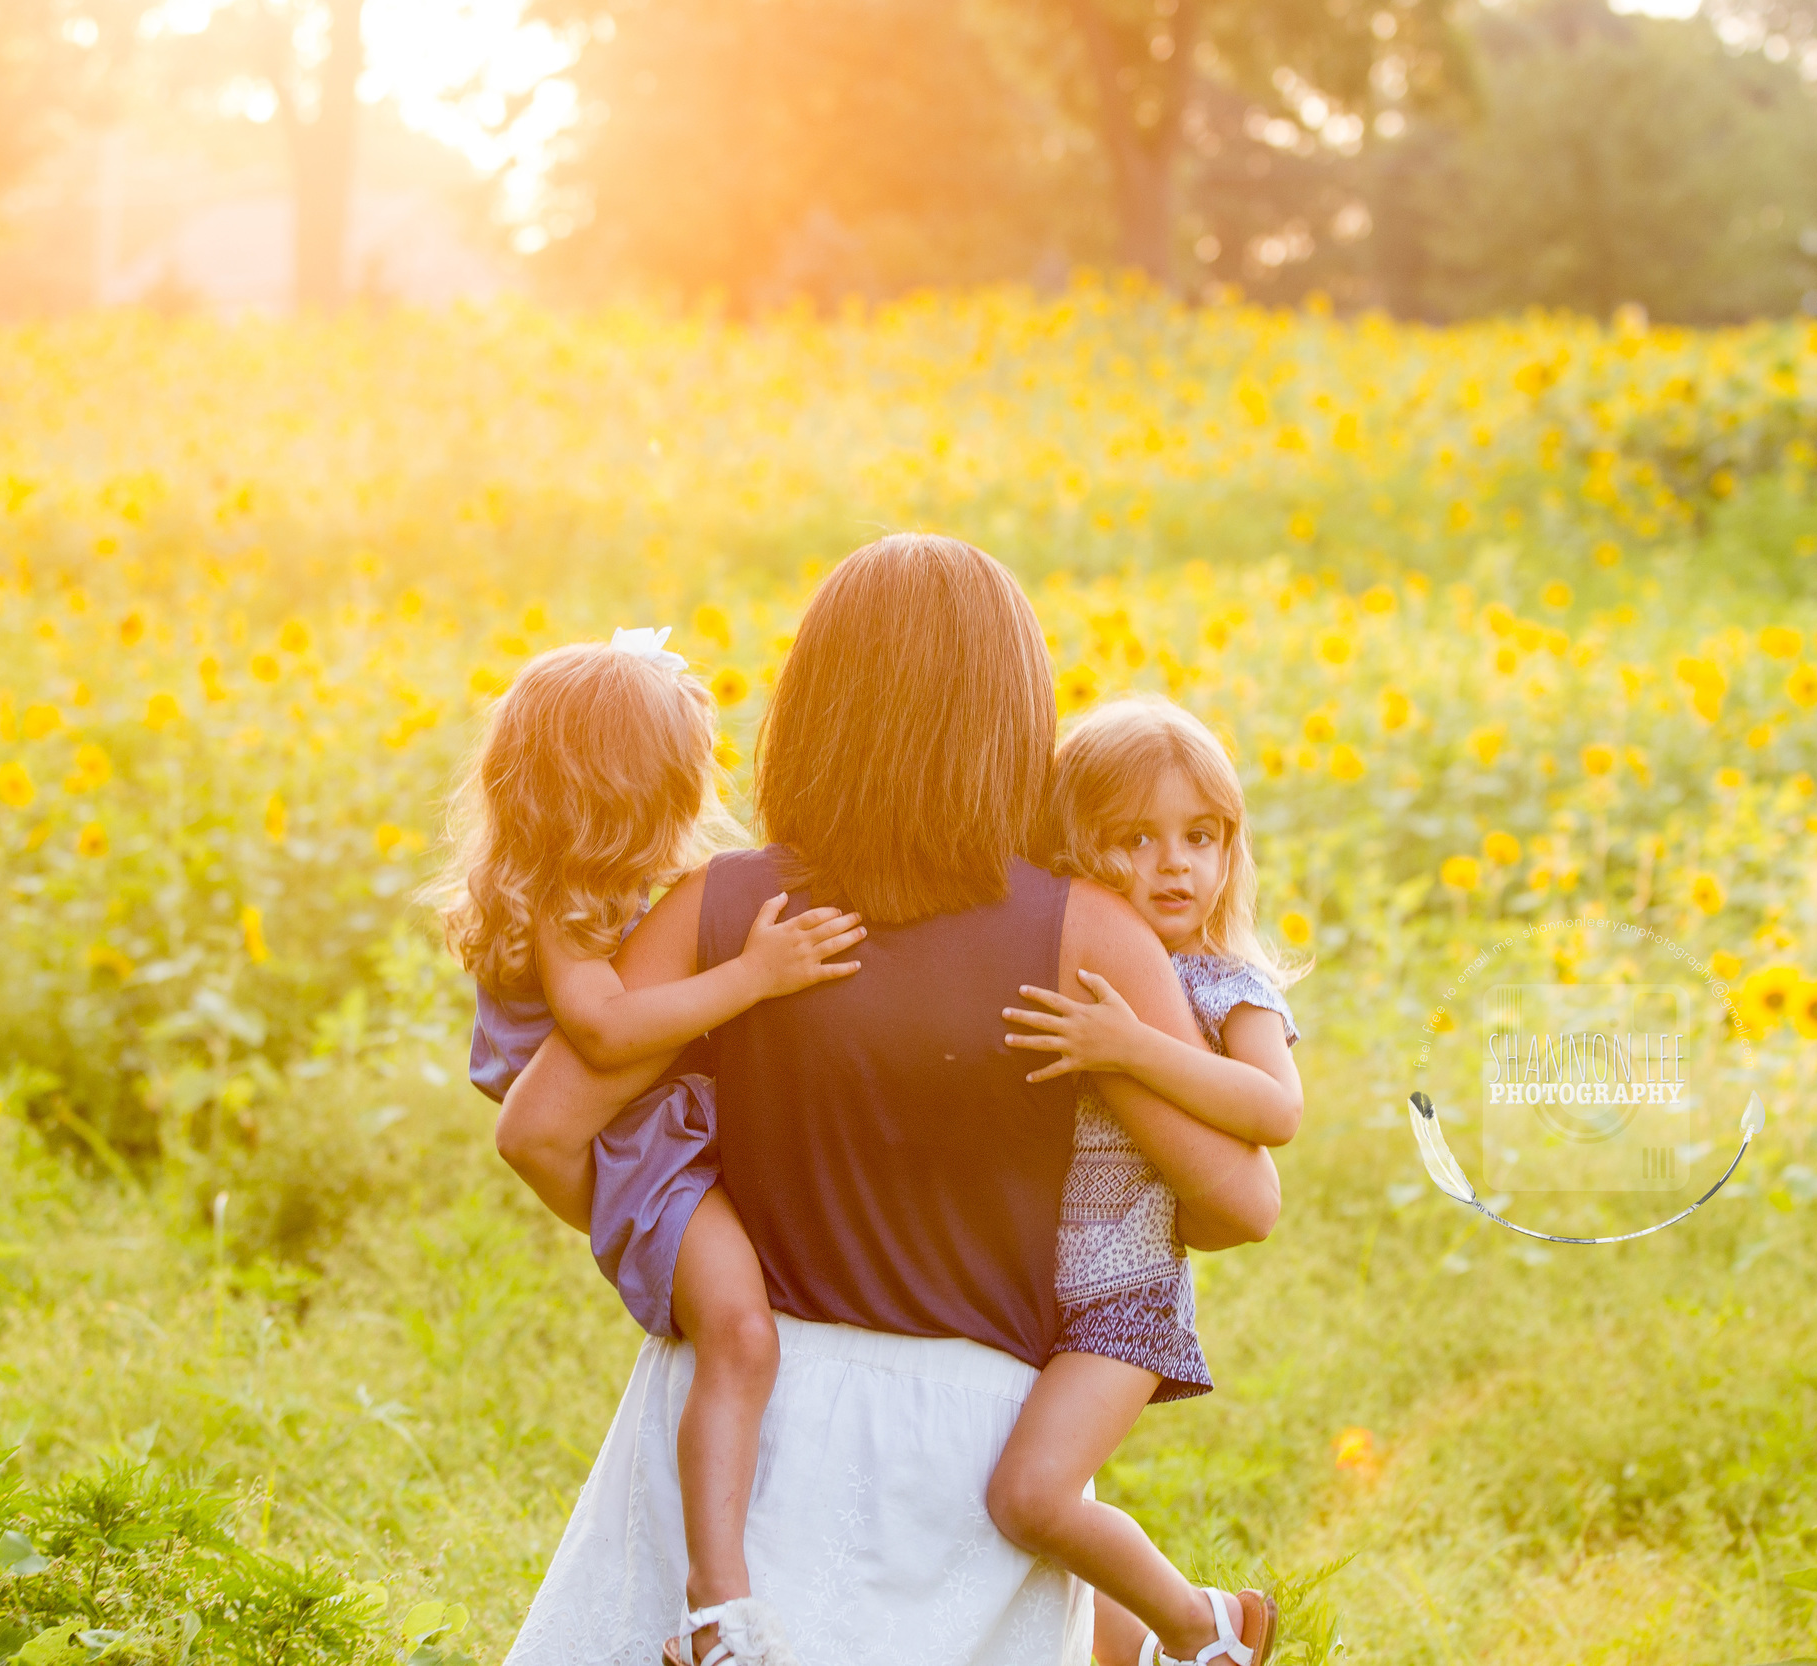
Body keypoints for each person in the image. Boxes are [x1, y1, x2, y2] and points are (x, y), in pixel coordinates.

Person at [493, 534, 1284, 1666]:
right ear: (1015, 722)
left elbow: (540, 1129)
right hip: (963, 1444)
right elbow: (1236, 1206)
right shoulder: (1080, 931)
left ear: (812, 707)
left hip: (734, 1425)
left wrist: (686, 1259)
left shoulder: (728, 909)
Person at [432, 629, 866, 1666]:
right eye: (683, 771)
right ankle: (715, 1607)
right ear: (625, 790)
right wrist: (755, 976)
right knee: (741, 1334)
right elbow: (606, 1032)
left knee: (759, 1331)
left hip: (666, 1142)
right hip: (646, 1160)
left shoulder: (621, 881)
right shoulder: (567, 902)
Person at [989, 696, 1310, 1666]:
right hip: (1028, 1291)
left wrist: (1131, 1048)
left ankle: (1202, 1624)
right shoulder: (1059, 958)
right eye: (1136, 837)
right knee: (1027, 1506)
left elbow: (1273, 1108)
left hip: (1123, 1299)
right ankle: (1120, 1648)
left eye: (1200, 836)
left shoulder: (1226, 983)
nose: (1175, 863)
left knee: (1031, 1495)